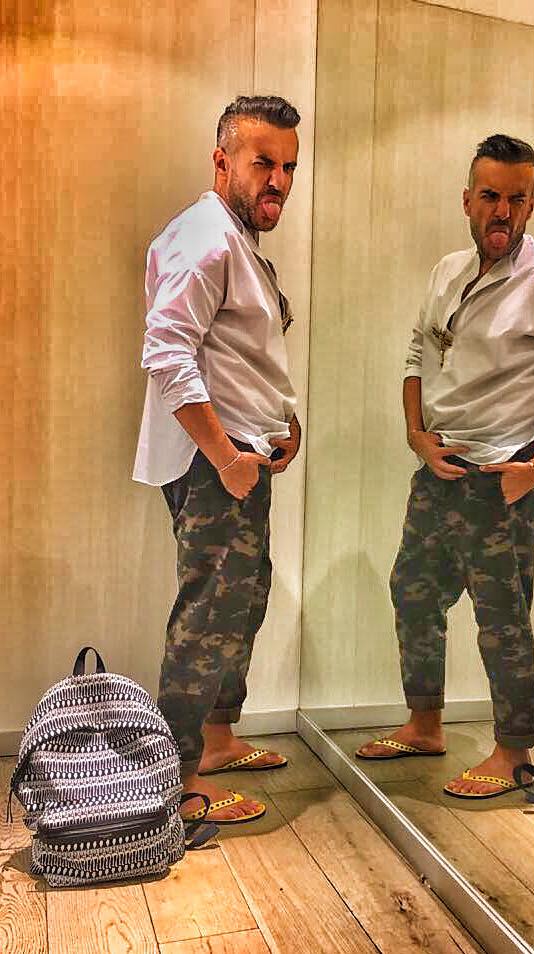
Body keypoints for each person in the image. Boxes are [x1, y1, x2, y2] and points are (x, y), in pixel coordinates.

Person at [357, 134, 534, 798]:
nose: (503, 211)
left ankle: (514, 752)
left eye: (517, 199)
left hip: (503, 477)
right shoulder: (446, 271)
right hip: (440, 471)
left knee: (502, 618)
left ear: (531, 204)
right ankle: (424, 724)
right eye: (491, 196)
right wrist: (417, 436)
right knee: (412, 592)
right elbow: (418, 351)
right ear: (467, 199)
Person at [133, 95, 302, 823]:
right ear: (222, 161)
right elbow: (166, 355)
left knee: (243, 600)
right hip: (214, 463)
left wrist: (282, 422)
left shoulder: (236, 241)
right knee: (208, 614)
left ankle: (217, 740)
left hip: (240, 454)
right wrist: (227, 456)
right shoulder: (203, 238)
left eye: (288, 167)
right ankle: (174, 784)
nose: (278, 180)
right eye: (263, 162)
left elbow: (239, 355)